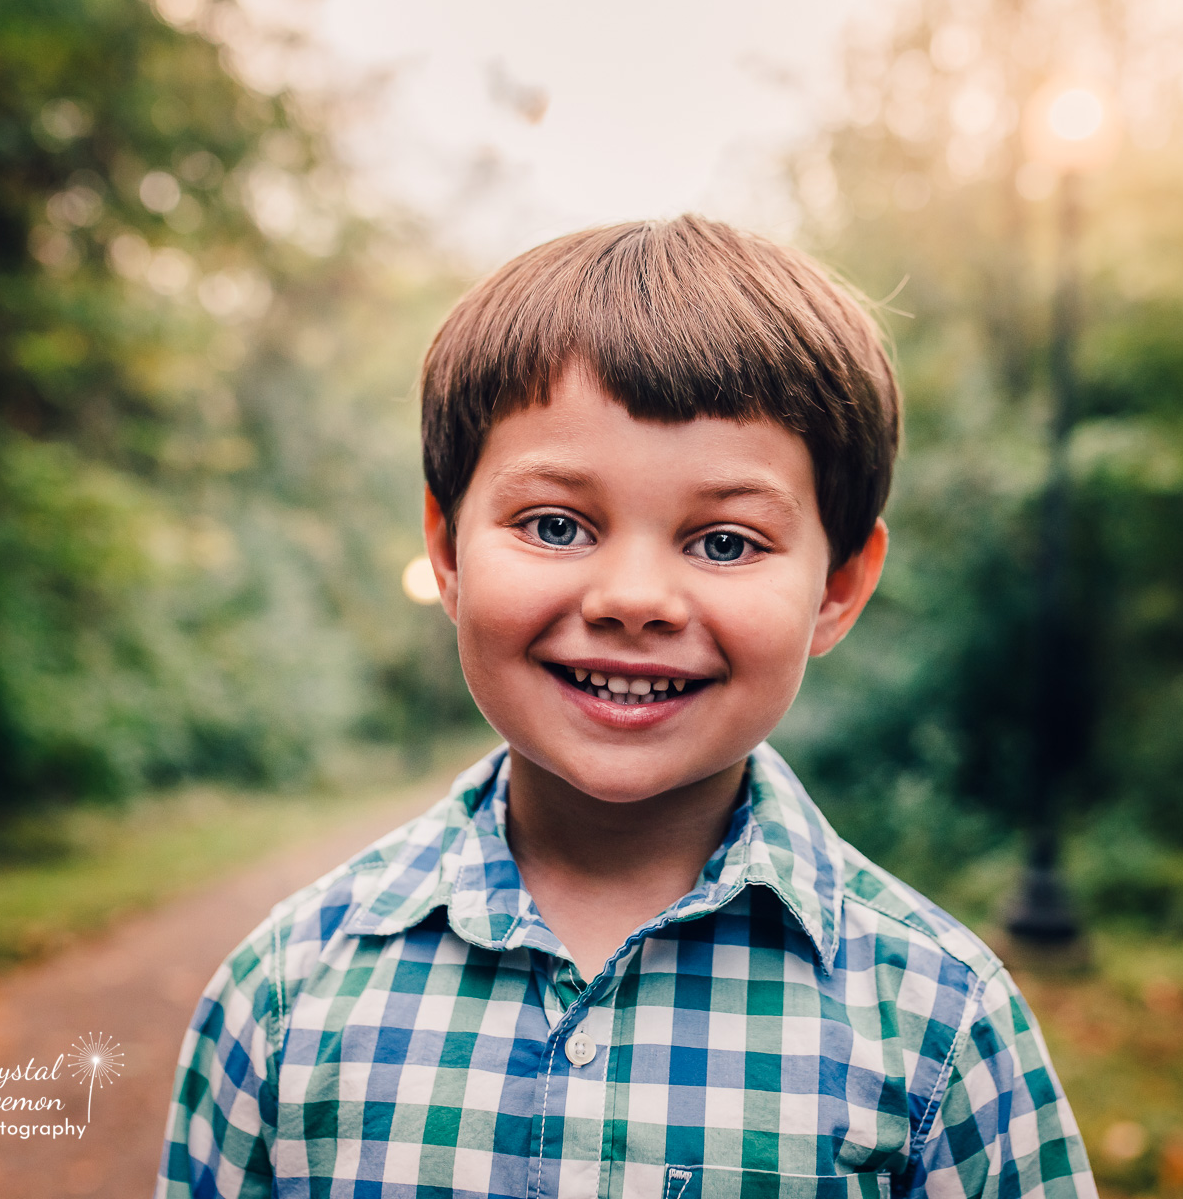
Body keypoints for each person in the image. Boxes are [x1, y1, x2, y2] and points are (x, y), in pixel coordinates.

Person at [156, 216, 1096, 1199]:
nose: (633, 600)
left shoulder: (942, 1028)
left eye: (725, 542)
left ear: (839, 587)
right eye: (556, 525)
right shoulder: (284, 998)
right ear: (447, 551)